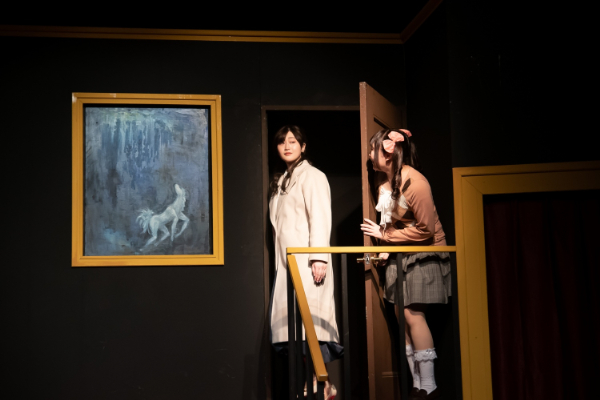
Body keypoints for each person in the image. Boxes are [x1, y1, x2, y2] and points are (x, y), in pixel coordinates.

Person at [360, 129, 450, 400]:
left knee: (412, 314)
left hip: (424, 252)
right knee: (402, 316)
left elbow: (426, 230)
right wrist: (384, 247)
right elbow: (391, 222)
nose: (369, 154)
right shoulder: (383, 182)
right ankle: (417, 383)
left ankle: (429, 386)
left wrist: (385, 236)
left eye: (373, 149)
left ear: (388, 154)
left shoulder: (416, 182)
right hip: (402, 254)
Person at [268, 125, 341, 399]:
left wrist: (319, 256)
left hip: (308, 264)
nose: (287, 146)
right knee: (295, 331)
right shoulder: (282, 181)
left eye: (292, 141)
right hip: (287, 265)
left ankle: (321, 383)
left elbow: (320, 217)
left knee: (310, 326)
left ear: (303, 146)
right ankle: (321, 384)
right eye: (282, 142)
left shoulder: (313, 176)